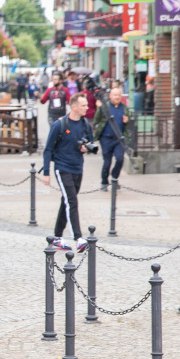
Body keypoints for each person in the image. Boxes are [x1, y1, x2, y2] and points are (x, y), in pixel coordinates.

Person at [42, 93, 96, 252]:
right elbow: (48, 150)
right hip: (62, 167)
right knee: (71, 201)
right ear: (74, 107)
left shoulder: (86, 124)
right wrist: (46, 172)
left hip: (78, 167)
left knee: (66, 201)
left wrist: (85, 148)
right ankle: (78, 238)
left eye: (87, 105)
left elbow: (90, 143)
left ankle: (57, 237)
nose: (87, 108)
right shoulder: (59, 125)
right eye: (84, 105)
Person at [94, 86, 130, 191]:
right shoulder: (105, 106)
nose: (117, 97)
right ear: (110, 96)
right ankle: (104, 181)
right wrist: (98, 108)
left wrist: (127, 121)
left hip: (119, 138)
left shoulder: (124, 108)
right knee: (107, 162)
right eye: (115, 95)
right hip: (106, 138)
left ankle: (114, 178)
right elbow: (96, 120)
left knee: (119, 159)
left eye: (119, 95)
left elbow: (128, 122)